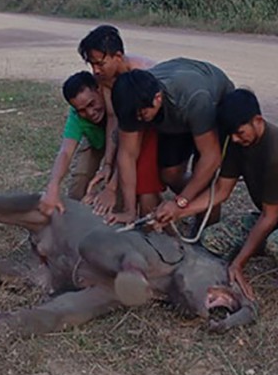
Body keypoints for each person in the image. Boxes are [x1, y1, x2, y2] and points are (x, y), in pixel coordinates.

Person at [155, 89, 278, 315]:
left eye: (240, 132)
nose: (236, 139)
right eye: (232, 135)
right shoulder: (237, 143)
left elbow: (269, 217)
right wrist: (178, 210)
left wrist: (238, 263)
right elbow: (221, 191)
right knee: (212, 238)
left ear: (258, 120)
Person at [110, 58, 234, 225]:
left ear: (157, 98)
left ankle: (207, 226)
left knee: (205, 176)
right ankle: (195, 202)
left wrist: (180, 202)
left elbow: (211, 158)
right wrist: (129, 210)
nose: (138, 120)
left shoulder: (194, 99)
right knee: (170, 174)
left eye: (141, 115)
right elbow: (127, 155)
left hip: (212, 104)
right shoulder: (132, 102)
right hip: (176, 116)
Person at [76, 25, 162, 217]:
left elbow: (132, 143)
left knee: (144, 185)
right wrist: (107, 164)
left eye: (100, 63)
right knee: (125, 168)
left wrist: (112, 188)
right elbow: (114, 120)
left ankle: (153, 228)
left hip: (152, 124)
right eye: (91, 64)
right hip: (133, 126)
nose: (95, 71)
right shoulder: (106, 79)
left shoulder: (142, 74)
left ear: (118, 56)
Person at [38, 71, 107, 216]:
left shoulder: (115, 100)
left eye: (92, 104)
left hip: (122, 142)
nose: (90, 113)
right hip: (96, 142)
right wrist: (53, 185)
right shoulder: (76, 116)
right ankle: (73, 214)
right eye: (81, 110)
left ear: (99, 89)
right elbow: (65, 152)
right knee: (80, 176)